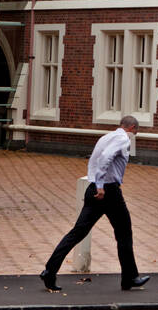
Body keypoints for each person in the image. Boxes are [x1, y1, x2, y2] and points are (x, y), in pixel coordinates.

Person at [40, 116, 150, 292]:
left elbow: (94, 160)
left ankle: (49, 270)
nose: (135, 135)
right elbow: (106, 157)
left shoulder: (105, 137)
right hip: (108, 192)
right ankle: (129, 278)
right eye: (136, 131)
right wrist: (100, 185)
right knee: (124, 233)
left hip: (93, 190)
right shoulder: (123, 138)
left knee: (77, 232)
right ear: (132, 127)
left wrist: (95, 183)